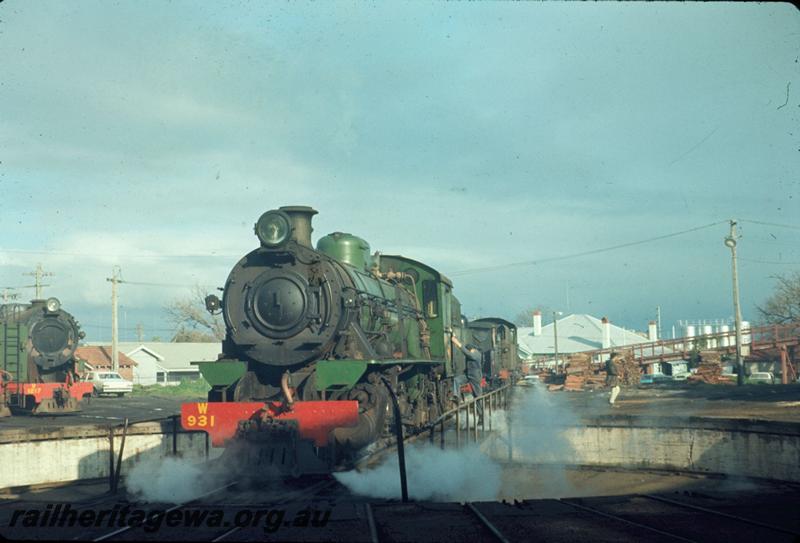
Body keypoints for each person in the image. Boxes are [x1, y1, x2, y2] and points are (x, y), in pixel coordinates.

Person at [451, 335, 484, 421]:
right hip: (468, 375)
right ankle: (456, 396)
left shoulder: (477, 353)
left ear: (472, 349)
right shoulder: (472, 352)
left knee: (477, 397)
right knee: (457, 380)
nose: (469, 351)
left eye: (469, 350)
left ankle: (481, 417)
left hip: (475, 377)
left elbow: (470, 355)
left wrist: (458, 344)